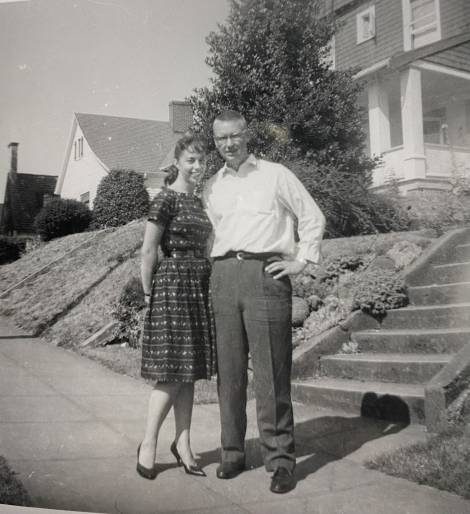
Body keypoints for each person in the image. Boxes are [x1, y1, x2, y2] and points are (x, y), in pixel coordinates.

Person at [203, 110, 325, 494]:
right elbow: (213, 235)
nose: (228, 144)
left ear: (246, 134)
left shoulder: (275, 175)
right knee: (229, 372)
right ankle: (232, 452)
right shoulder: (212, 186)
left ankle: (281, 461)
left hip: (266, 275)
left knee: (272, 372)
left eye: (233, 136)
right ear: (215, 141)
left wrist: (301, 261)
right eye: (220, 139)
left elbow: (312, 216)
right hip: (225, 277)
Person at [137, 132, 216, 480]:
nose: (197, 166)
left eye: (201, 160)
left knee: (190, 371)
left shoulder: (200, 202)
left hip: (198, 285)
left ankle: (183, 443)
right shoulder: (165, 199)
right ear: (177, 163)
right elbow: (148, 250)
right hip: (171, 285)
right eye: (190, 160)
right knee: (171, 372)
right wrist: (147, 293)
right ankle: (148, 443)